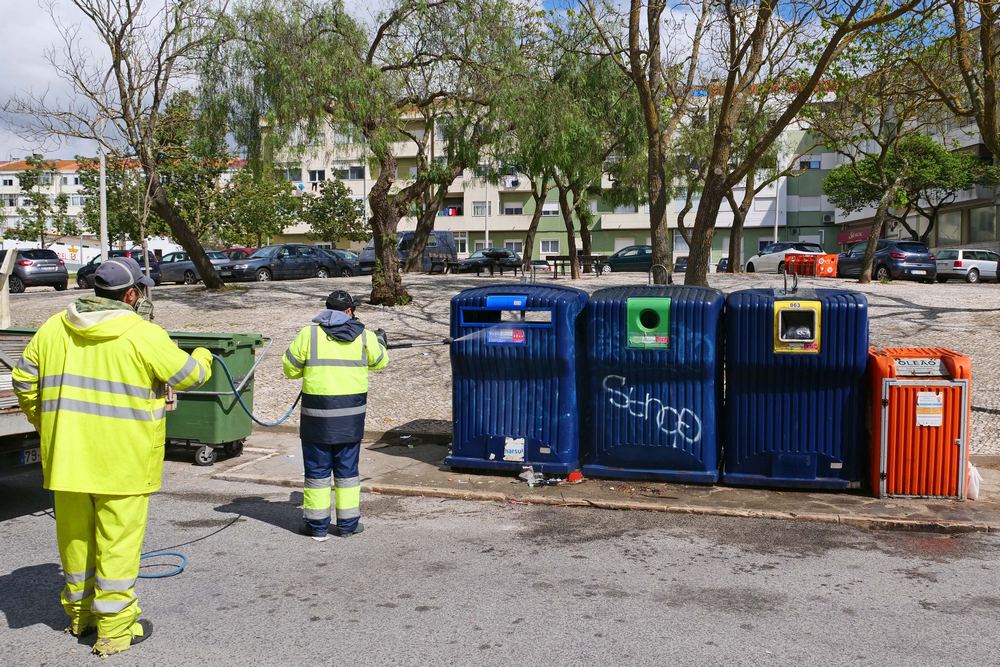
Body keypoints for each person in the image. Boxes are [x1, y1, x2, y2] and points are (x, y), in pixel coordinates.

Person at [11, 257, 213, 657]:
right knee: (116, 547)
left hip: (67, 460)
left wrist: (48, 425)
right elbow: (191, 376)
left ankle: (80, 618)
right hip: (124, 463)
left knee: (75, 543)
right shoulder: (142, 333)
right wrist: (204, 354)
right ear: (132, 294)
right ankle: (116, 632)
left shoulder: (53, 328)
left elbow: (23, 380)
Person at [283, 290, 389, 541]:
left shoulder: (308, 334)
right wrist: (381, 341)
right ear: (349, 311)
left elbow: (289, 368)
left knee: (318, 472)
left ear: (326, 308)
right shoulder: (364, 336)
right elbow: (381, 362)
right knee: (348, 472)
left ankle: (317, 527)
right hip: (351, 419)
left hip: (316, 420)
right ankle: (348, 526)